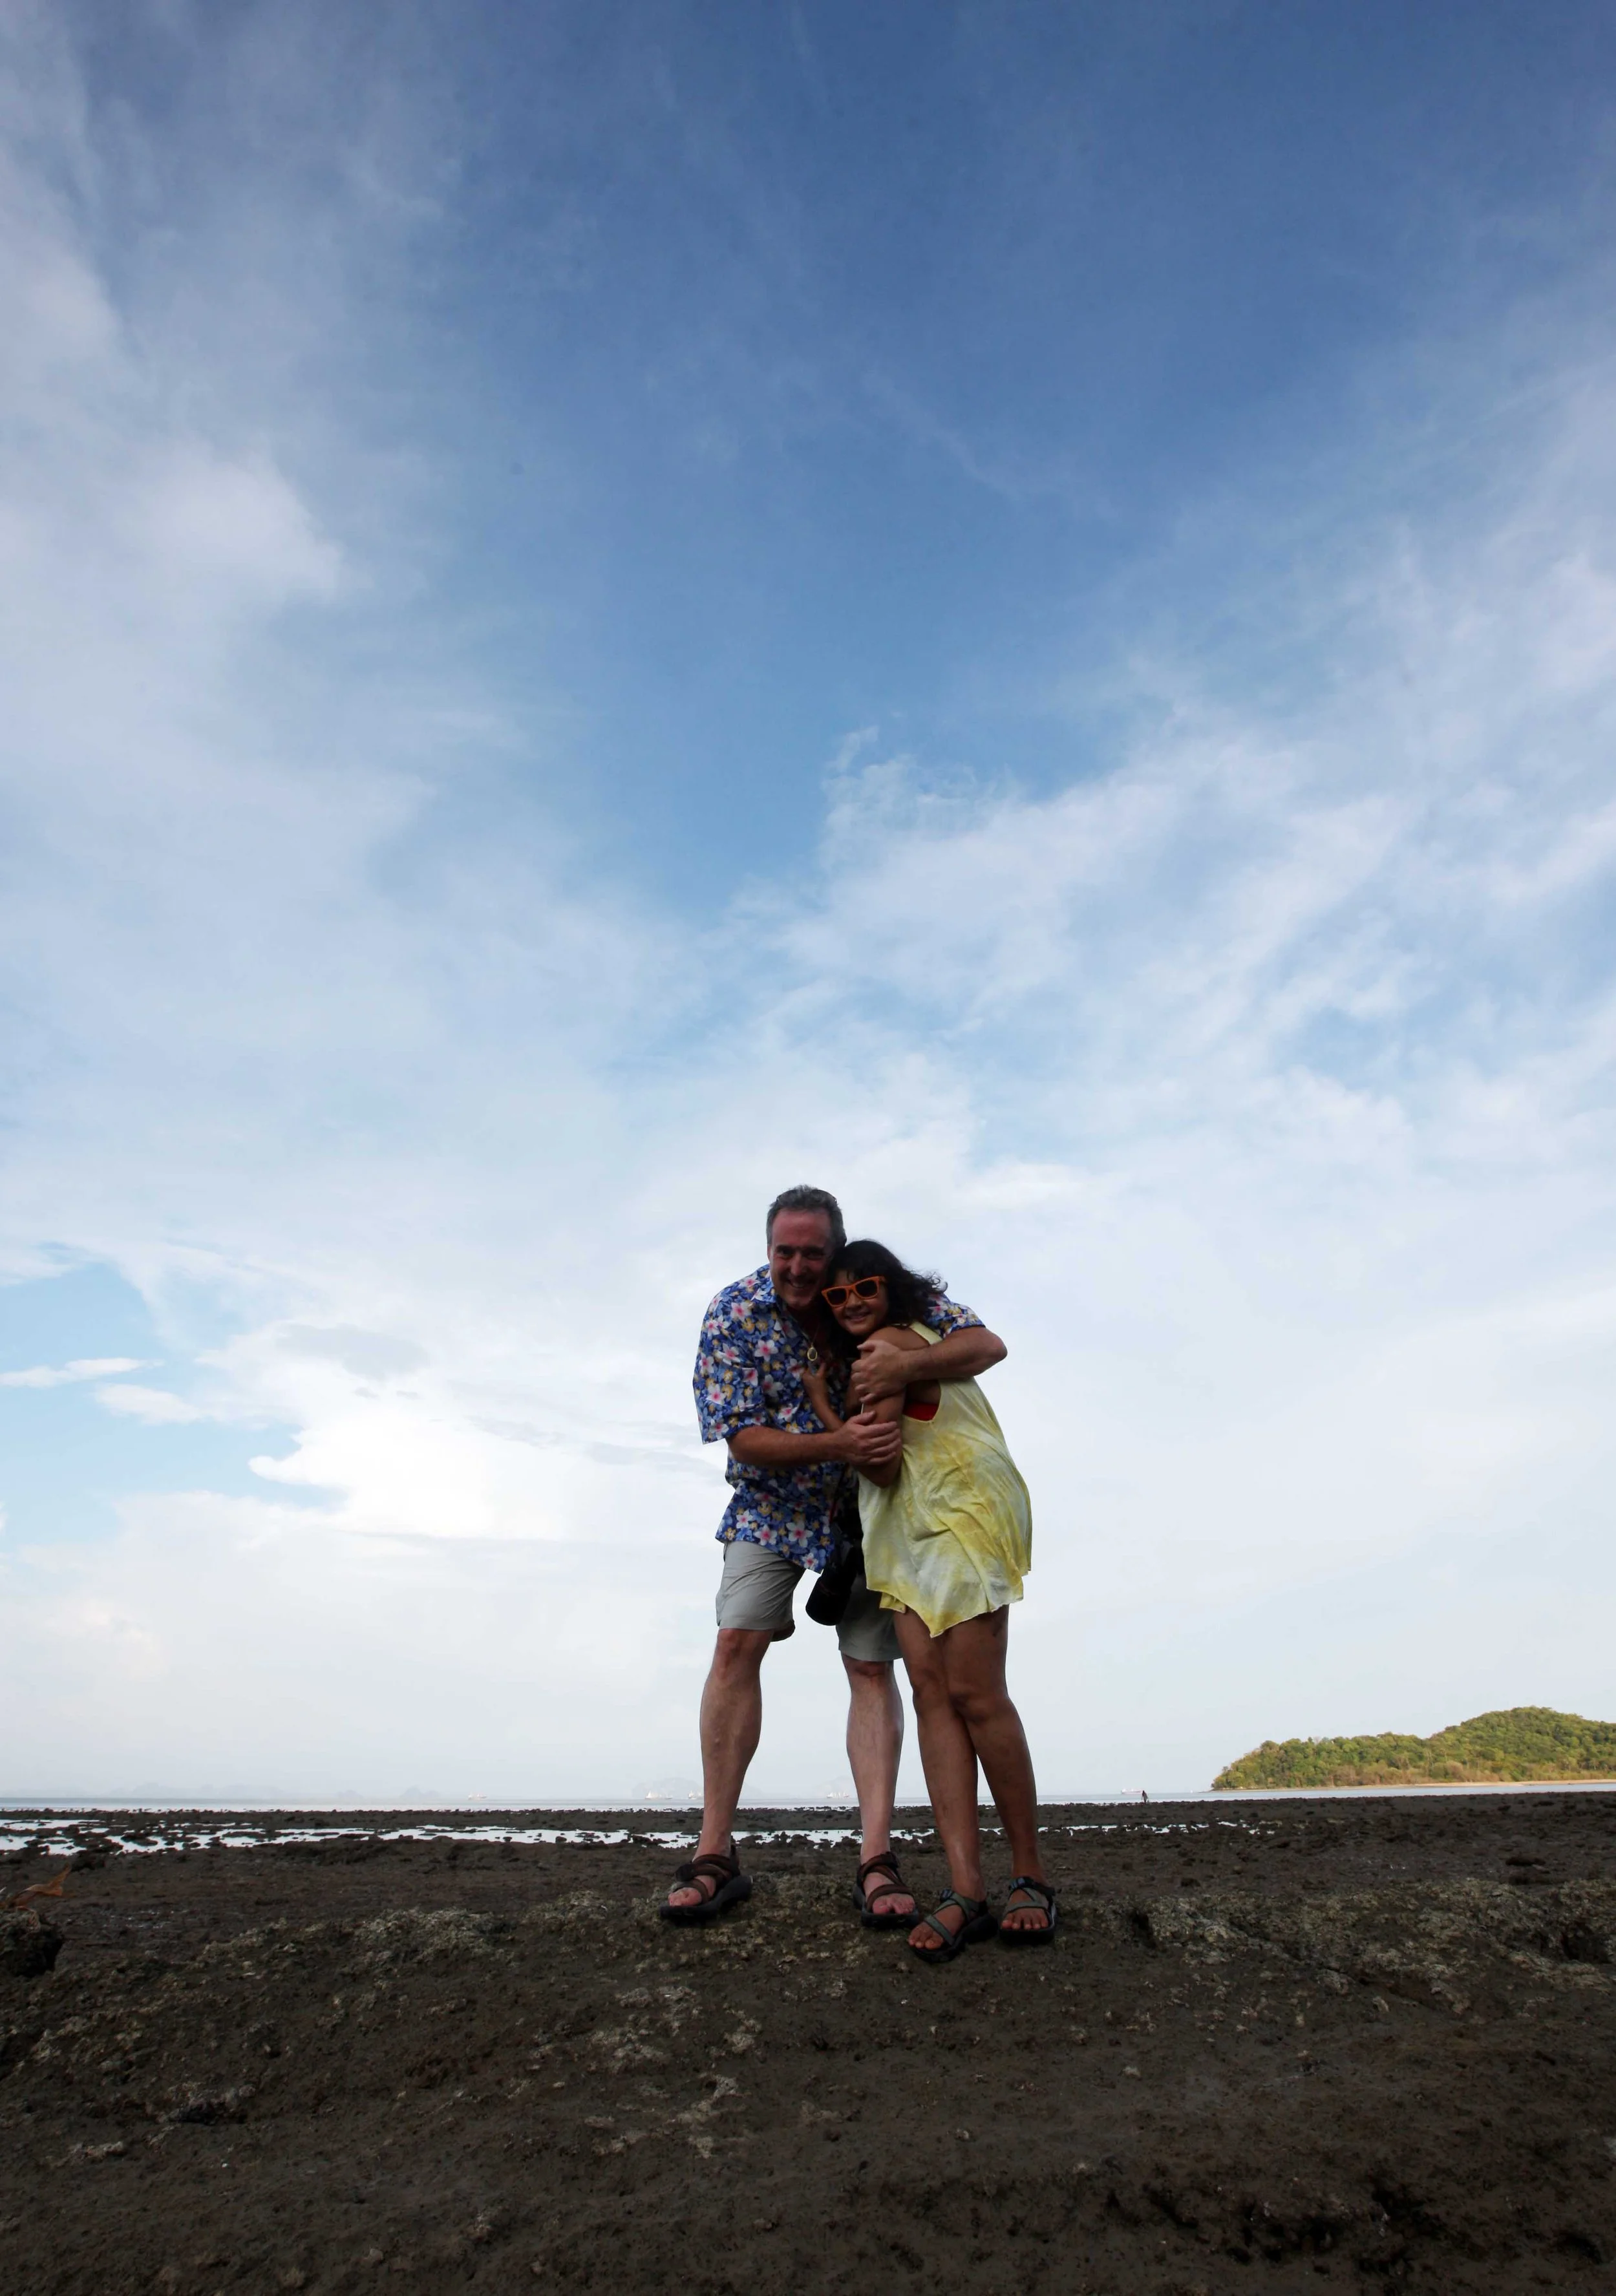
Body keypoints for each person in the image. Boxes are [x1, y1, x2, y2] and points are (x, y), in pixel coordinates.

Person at [663, 1185, 1007, 1925]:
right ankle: (715, 1852)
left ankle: (875, 1860)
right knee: (734, 1645)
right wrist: (837, 1439)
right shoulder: (733, 1312)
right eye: (783, 1251)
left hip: (872, 1509)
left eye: (810, 1254)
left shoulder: (870, 1294)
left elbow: (982, 1343)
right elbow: (741, 1436)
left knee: (868, 1666)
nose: (796, 1267)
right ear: (767, 1250)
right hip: (770, 1503)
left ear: (836, 1252)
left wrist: (904, 1369)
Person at [802, 1238, 1054, 1958]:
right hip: (912, 1530)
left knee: (974, 1695)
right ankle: (968, 1890)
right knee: (933, 1696)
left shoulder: (887, 1347)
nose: (852, 1304)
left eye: (866, 1288)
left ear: (895, 1291)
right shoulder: (905, 1345)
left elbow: (874, 1463)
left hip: (956, 1513)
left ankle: (1027, 1878)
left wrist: (823, 1403)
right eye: (838, 1296)